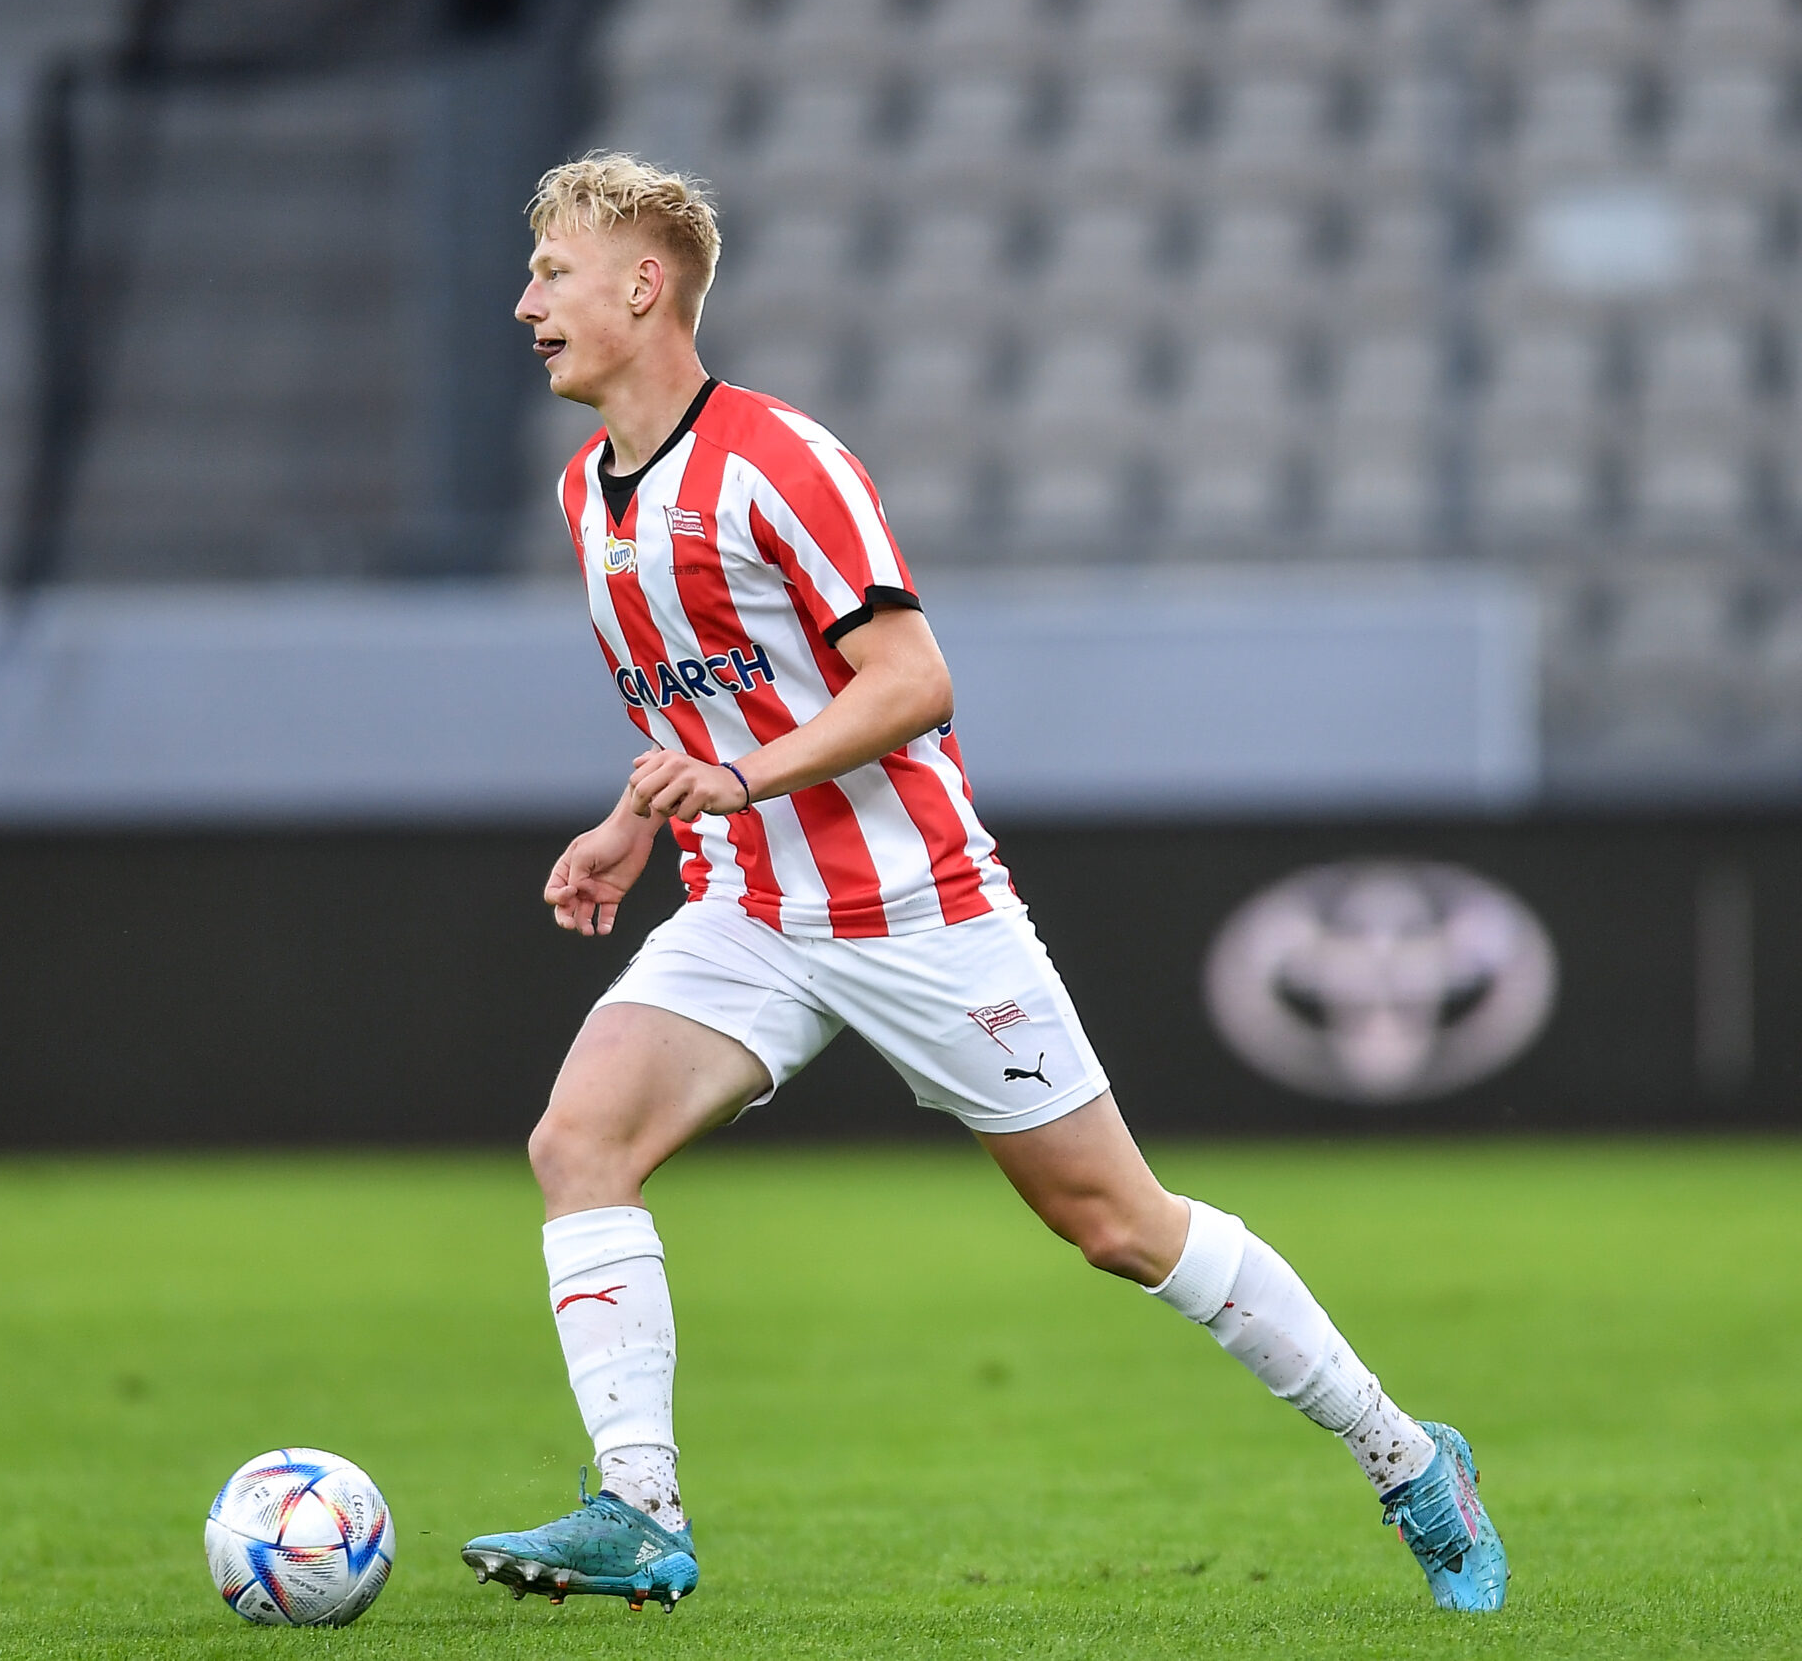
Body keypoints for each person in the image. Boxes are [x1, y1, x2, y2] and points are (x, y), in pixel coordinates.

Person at [458, 153, 1506, 1616]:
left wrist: (743, 780)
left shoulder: (778, 463)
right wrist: (640, 815)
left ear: (644, 285)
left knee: (1119, 1227)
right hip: (751, 910)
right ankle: (639, 1503)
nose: (526, 306)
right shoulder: (591, 495)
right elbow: (705, 706)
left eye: (552, 276)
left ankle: (1405, 1453)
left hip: (919, 915)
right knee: (577, 1143)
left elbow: (913, 679)